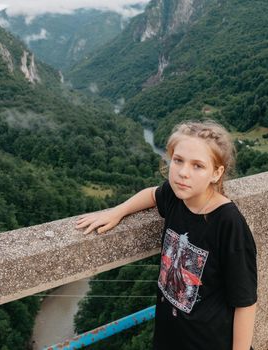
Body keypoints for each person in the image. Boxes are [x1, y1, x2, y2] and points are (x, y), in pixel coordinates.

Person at [75, 120, 257, 350]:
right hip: (169, 337)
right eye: (178, 160)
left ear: (216, 172)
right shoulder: (175, 196)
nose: (183, 173)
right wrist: (117, 211)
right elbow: (152, 195)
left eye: (197, 166)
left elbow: (245, 302)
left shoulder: (228, 223)